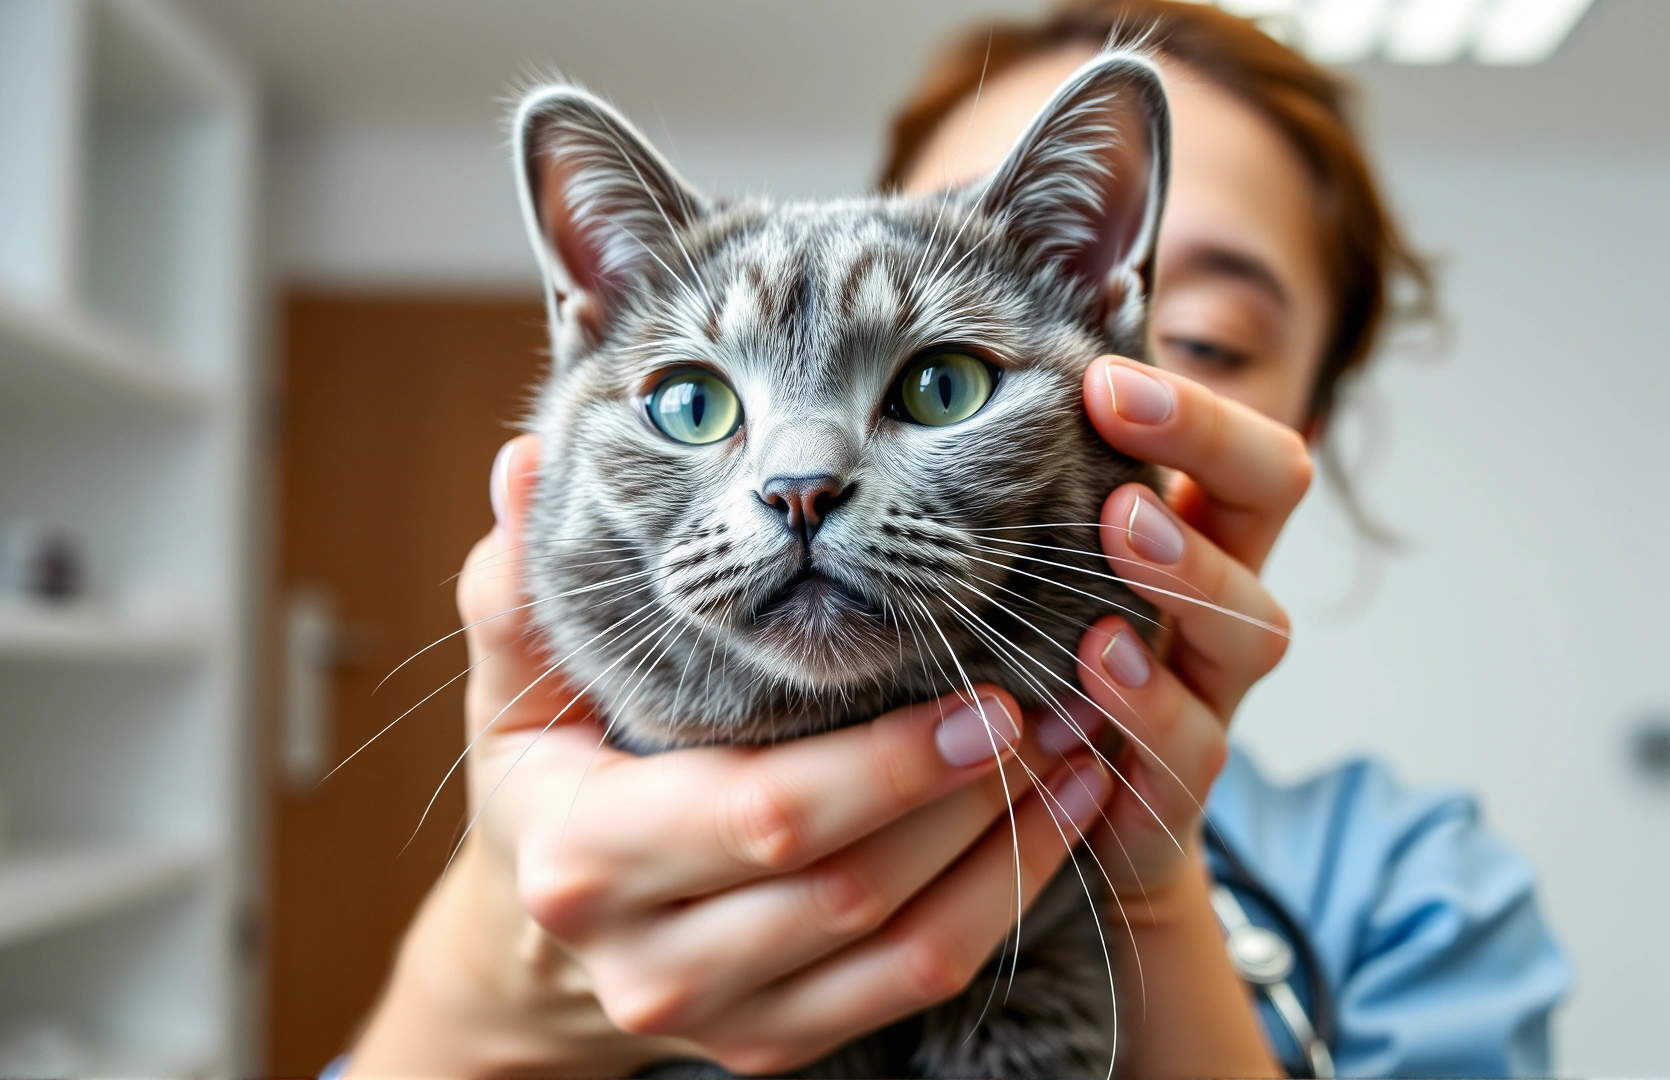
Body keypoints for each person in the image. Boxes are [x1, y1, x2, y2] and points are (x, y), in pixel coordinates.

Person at [340, 2, 1569, 1076]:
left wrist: (1144, 905)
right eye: (697, 402)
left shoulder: (1418, 890)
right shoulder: (565, 849)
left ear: (1299, 421)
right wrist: (482, 995)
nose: (802, 482)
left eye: (1198, 341)